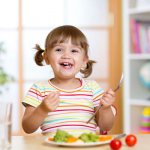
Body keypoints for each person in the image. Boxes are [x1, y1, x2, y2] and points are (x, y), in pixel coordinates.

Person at [22, 25, 116, 138]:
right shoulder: (39, 89)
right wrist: (42, 109)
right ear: (46, 57)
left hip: (85, 146)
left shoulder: (92, 88)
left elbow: (106, 127)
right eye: (58, 50)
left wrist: (105, 108)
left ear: (84, 60)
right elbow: (27, 128)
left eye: (74, 51)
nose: (66, 55)